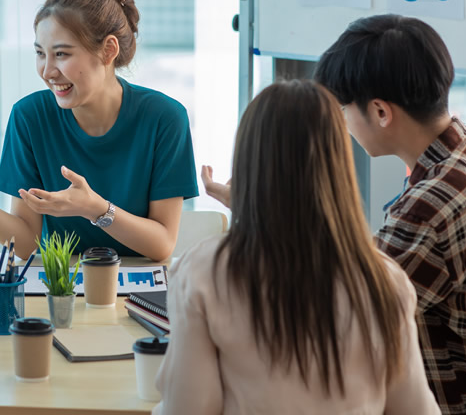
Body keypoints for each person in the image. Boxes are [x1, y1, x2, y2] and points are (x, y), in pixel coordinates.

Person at [204, 14, 466, 414]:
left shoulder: (429, 209)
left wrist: (262, 205)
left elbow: (334, 310)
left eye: (343, 110)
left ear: (380, 111)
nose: (341, 125)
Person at [155, 80, 439, 414]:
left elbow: (189, 409)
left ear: (248, 162)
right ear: (338, 167)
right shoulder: (385, 280)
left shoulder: (203, 272)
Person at [0, 0, 198, 261]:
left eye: (61, 54)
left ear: (108, 50)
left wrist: (95, 208)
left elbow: (161, 245)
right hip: (60, 290)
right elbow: (25, 245)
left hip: (137, 291)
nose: (47, 71)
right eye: (40, 54)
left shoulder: (165, 119)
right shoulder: (29, 117)